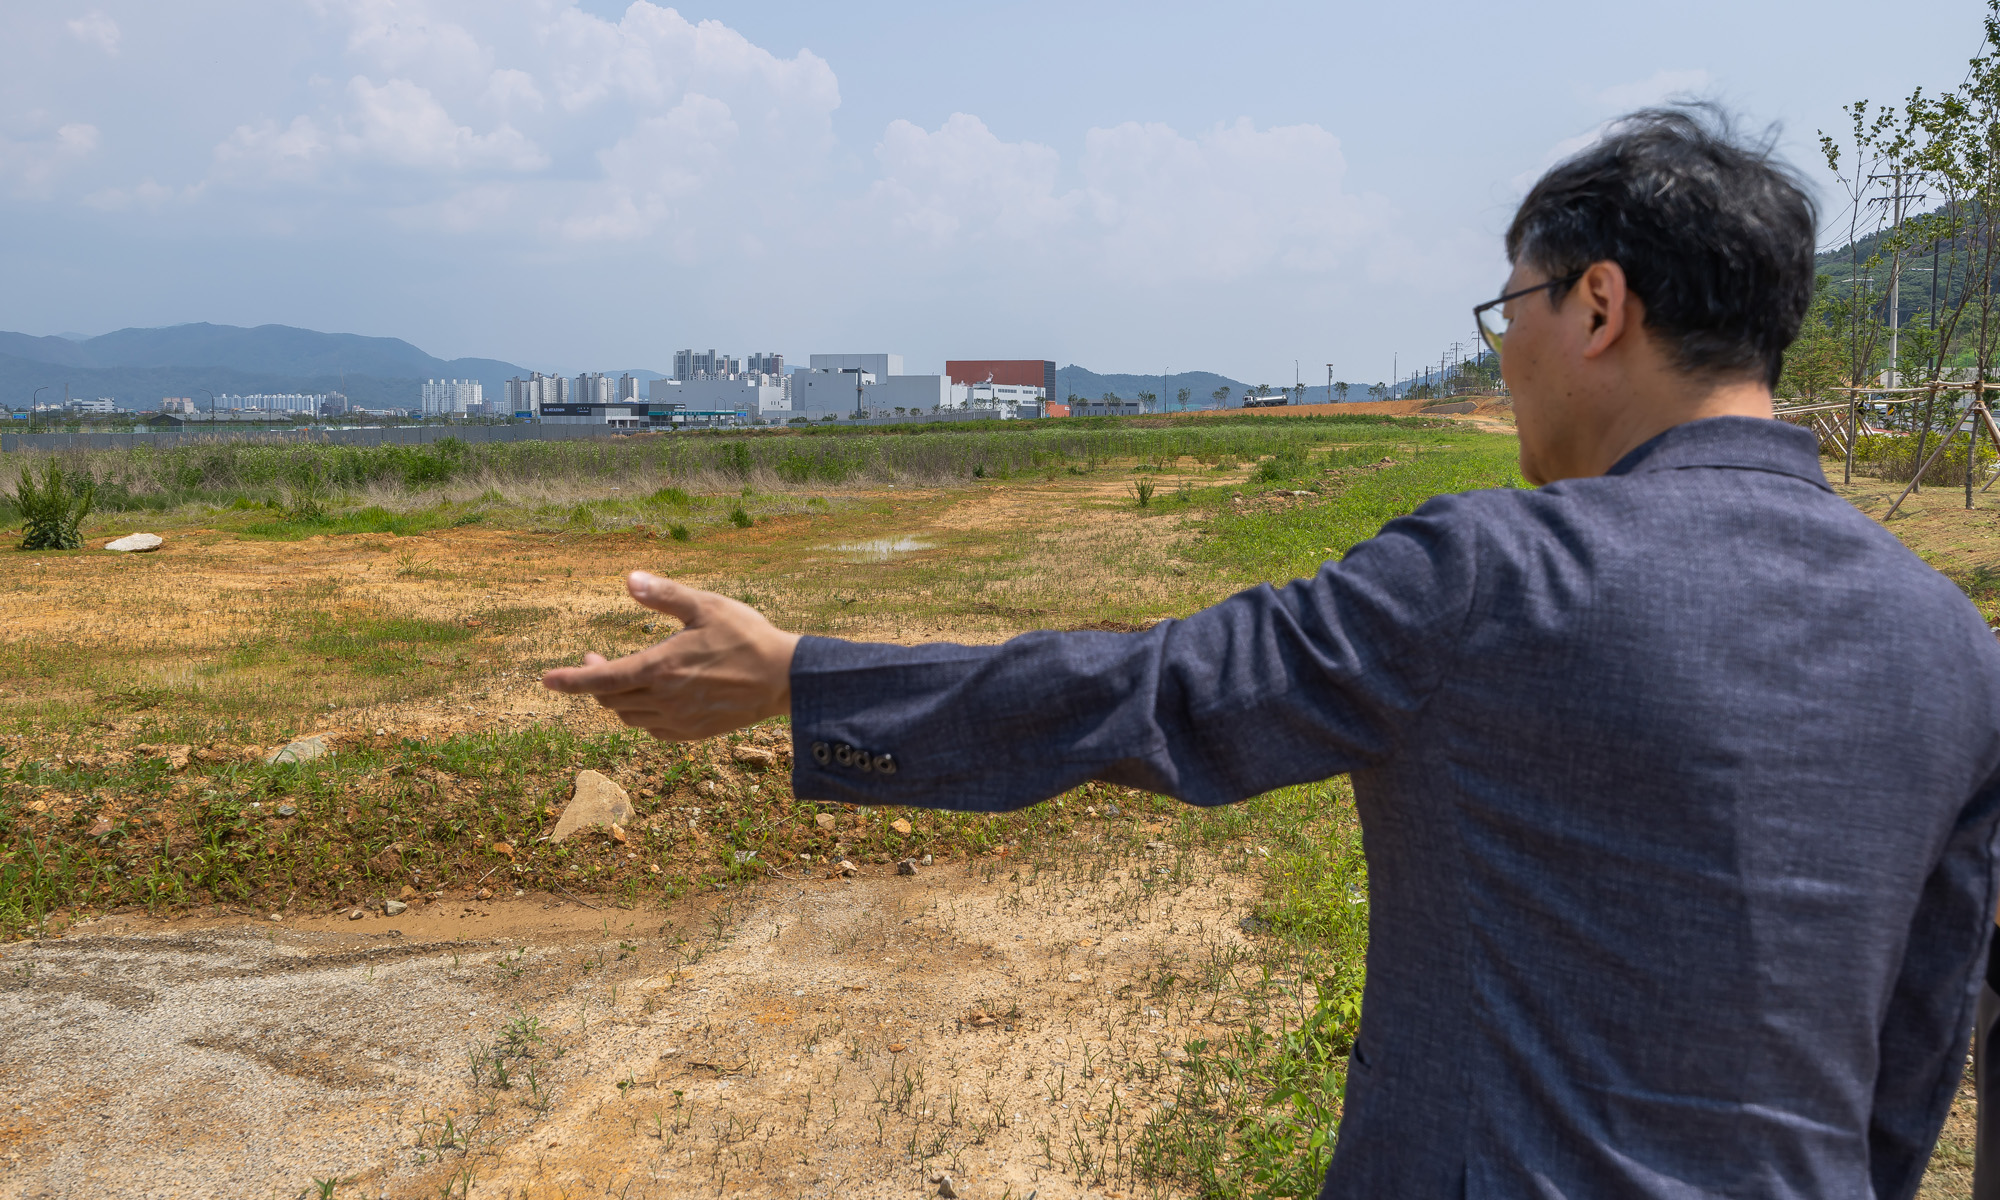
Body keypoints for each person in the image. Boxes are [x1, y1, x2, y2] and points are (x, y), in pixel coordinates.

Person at [544, 108, 2000, 1199]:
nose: (1502, 359)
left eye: (1511, 311)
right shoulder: (1954, 649)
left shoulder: (1496, 579)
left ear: (1599, 306)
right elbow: (1917, 1052)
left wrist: (805, 675)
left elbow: (1156, 696)